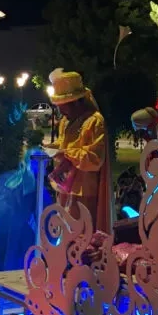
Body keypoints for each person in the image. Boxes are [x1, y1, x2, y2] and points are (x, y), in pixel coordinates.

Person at [47, 68, 113, 235]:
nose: (61, 112)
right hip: (65, 188)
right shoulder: (65, 121)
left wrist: (67, 153)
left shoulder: (94, 121)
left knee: (83, 239)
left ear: (76, 102)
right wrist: (53, 148)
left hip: (85, 192)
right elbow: (64, 143)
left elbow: (95, 159)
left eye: (63, 106)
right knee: (63, 237)